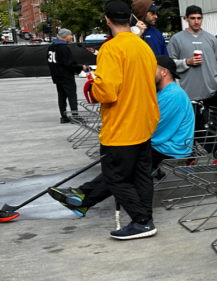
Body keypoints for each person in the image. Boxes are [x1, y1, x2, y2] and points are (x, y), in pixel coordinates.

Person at [47, 0, 160, 239]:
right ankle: (145, 218)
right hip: (144, 121)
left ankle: (141, 222)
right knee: (141, 175)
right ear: (129, 19)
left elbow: (106, 92)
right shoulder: (143, 47)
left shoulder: (111, 49)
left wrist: (93, 85)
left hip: (122, 125)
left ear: (107, 20)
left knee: (114, 177)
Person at [49, 55, 196, 216]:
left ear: (164, 72)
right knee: (120, 165)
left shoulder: (172, 95)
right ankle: (82, 198)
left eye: (150, 69)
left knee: (122, 166)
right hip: (160, 142)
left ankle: (83, 196)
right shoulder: (163, 92)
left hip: (170, 147)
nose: (146, 73)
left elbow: (154, 127)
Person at [167, 5, 217, 156]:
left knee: (215, 124)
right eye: (192, 18)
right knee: (191, 126)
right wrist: (187, 62)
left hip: (212, 90)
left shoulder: (211, 38)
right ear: (185, 18)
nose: (196, 21)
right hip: (189, 92)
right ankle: (190, 157)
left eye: (199, 18)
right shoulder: (176, 39)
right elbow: (170, 64)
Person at [47, 28, 85, 123]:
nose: (71, 37)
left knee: (62, 96)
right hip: (66, 75)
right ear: (64, 36)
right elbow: (69, 64)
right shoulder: (63, 48)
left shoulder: (51, 47)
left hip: (57, 75)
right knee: (71, 95)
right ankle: (75, 116)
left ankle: (63, 116)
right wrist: (81, 68)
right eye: (70, 35)